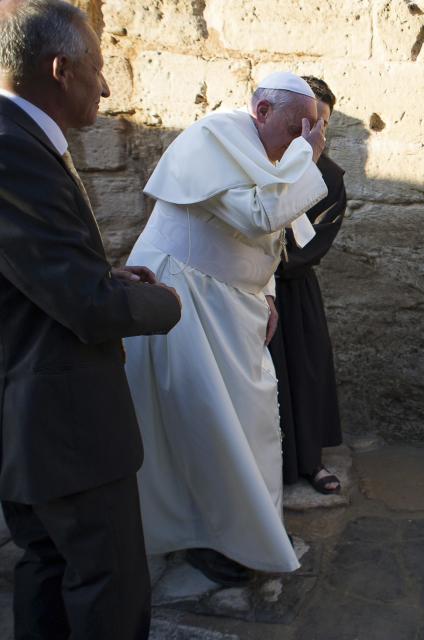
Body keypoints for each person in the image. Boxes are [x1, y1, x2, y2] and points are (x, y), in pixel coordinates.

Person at [0, 1, 183, 638]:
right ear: (61, 69)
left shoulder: (19, 141)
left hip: (38, 424)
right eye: (99, 68)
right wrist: (169, 304)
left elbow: (34, 275)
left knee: (48, 567)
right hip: (61, 425)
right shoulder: (13, 151)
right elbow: (85, 308)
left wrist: (106, 275)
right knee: (109, 582)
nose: (106, 86)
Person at [122, 71, 328, 587]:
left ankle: (239, 534)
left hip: (231, 303)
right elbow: (260, 213)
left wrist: (269, 292)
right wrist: (309, 156)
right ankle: (206, 537)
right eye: (293, 130)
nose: (296, 144)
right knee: (205, 427)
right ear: (261, 111)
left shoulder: (266, 145)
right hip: (184, 300)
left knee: (247, 424)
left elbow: (269, 235)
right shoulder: (213, 139)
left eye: (310, 132)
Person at [269, 76, 346, 495]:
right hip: (248, 288)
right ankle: (273, 469)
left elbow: (314, 242)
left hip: (294, 290)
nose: (316, 134)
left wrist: (269, 263)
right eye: (309, 124)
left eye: (324, 126)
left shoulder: (331, 178)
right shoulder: (259, 161)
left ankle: (311, 461)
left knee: (305, 371)